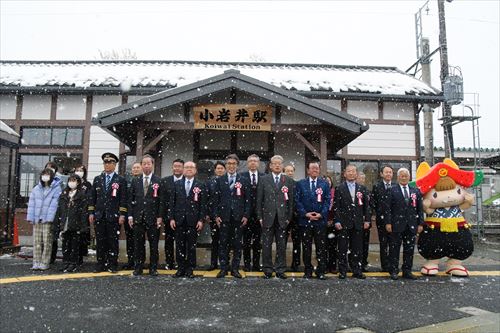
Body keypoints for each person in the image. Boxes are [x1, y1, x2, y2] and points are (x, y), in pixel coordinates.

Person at [256, 155, 295, 279]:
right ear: (271, 166)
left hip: (282, 218)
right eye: (275, 163)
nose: (277, 165)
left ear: (282, 166)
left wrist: (289, 217)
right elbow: (259, 200)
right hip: (267, 217)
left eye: (279, 163)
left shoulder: (287, 180)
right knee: (266, 244)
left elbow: (291, 202)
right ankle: (267, 269)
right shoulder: (263, 179)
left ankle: (280, 269)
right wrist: (260, 217)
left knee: (281, 245)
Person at [88, 152, 128, 273]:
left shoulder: (120, 180)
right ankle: (100, 264)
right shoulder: (97, 179)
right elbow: (92, 197)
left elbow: (123, 198)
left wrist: (122, 214)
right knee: (100, 241)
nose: (107, 165)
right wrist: (91, 212)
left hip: (114, 216)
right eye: (105, 162)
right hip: (100, 215)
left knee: (112, 241)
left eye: (110, 163)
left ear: (114, 165)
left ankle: (112, 264)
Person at [213, 154, 251, 279]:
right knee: (223, 243)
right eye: (229, 163)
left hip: (238, 218)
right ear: (226, 165)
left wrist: (246, 215)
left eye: (233, 164)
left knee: (237, 244)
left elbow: (248, 200)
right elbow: (215, 200)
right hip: (223, 217)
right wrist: (216, 215)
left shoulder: (244, 180)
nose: (231, 166)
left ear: (237, 165)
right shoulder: (219, 180)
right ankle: (223, 268)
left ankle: (235, 269)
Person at [168, 161, 207, 278]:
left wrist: (201, 220)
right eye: (187, 167)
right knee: (179, 245)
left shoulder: (200, 185)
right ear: (183, 170)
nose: (189, 169)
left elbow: (203, 204)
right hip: (179, 220)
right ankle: (180, 268)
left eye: (191, 167)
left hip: (193, 221)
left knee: (191, 246)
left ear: (195, 170)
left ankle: (190, 269)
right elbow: (172, 203)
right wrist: (171, 218)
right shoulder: (177, 184)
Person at [385, 168, 424, 280]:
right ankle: (394, 271)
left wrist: (420, 223)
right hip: (396, 225)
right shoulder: (391, 190)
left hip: (411, 225)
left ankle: (407, 271)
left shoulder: (415, 191)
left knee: (409, 249)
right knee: (394, 249)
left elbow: (419, 209)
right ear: (398, 177)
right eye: (401, 176)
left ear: (409, 177)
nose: (404, 177)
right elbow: (387, 208)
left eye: (406, 175)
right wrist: (388, 222)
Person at [333, 164, 370, 279]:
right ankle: (343, 271)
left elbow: (367, 207)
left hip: (358, 223)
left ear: (356, 174)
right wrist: (337, 220)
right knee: (343, 248)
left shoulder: (362, 189)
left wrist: (367, 220)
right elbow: (336, 207)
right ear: (345, 174)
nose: (351, 173)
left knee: (357, 249)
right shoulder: (339, 188)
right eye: (349, 171)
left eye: (353, 171)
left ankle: (357, 270)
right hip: (343, 223)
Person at [295, 161, 331, 280]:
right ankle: (308, 270)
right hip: (305, 221)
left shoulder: (324, 184)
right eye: (313, 168)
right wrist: (305, 214)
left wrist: (321, 214)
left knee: (321, 247)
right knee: (306, 247)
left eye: (317, 168)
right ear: (308, 170)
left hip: (320, 222)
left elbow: (327, 201)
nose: (315, 170)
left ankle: (320, 270)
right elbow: (297, 201)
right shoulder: (301, 184)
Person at [128, 155, 162, 276]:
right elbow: (130, 199)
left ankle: (153, 268)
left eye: (149, 163)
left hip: (153, 218)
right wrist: (130, 216)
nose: (146, 165)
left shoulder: (158, 181)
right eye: (144, 163)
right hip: (138, 217)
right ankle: (138, 267)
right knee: (138, 244)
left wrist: (159, 216)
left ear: (152, 165)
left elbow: (161, 201)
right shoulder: (135, 181)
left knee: (153, 245)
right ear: (141, 165)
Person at [26, 168, 62, 271]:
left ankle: (45, 262)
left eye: (47, 174)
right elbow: (31, 204)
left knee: (47, 242)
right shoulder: (36, 188)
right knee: (37, 241)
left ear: (52, 176)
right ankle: (36, 262)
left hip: (47, 220)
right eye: (43, 174)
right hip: (37, 218)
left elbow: (54, 205)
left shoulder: (56, 188)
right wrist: (31, 217)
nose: (45, 176)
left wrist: (49, 218)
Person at [55, 174, 88, 273]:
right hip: (65, 221)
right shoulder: (64, 193)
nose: (71, 182)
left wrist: (83, 226)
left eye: (74, 180)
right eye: (70, 180)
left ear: (78, 182)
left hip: (75, 222)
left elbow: (83, 212)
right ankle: (65, 262)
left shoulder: (81, 194)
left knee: (74, 245)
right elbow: (59, 209)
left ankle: (73, 263)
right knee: (65, 244)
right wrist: (58, 223)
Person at [240, 154, 264, 272]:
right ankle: (247, 264)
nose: (253, 163)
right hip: (245, 215)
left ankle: (256, 264)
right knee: (246, 241)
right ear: (247, 163)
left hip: (259, 215)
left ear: (258, 163)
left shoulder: (264, 177)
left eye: (255, 161)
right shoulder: (241, 177)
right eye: (251, 161)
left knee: (257, 241)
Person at [159, 159, 184, 270]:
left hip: (183, 217)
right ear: (172, 167)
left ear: (183, 168)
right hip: (168, 217)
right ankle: (169, 262)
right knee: (169, 241)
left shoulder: (187, 180)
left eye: (179, 166)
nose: (177, 168)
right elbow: (162, 200)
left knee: (181, 241)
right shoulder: (165, 181)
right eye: (175, 166)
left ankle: (181, 262)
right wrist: (164, 215)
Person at [371, 165, 394, 272]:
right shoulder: (377, 187)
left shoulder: (395, 186)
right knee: (383, 243)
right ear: (381, 174)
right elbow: (373, 202)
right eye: (386, 172)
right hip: (381, 220)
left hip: (395, 220)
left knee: (394, 243)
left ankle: (393, 264)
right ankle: (385, 265)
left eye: (390, 172)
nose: (388, 174)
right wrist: (379, 213)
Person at [206, 161, 225, 270]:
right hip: (213, 215)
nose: (220, 170)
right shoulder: (210, 182)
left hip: (227, 216)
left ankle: (225, 264)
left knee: (226, 241)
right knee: (215, 240)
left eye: (222, 168)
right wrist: (208, 214)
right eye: (218, 168)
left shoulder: (228, 181)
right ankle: (213, 263)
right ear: (215, 170)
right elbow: (207, 199)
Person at [123, 162, 142, 270]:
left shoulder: (143, 181)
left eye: (137, 168)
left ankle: (138, 261)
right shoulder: (127, 181)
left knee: (138, 240)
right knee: (129, 239)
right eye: (134, 168)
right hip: (128, 214)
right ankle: (130, 260)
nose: (135, 169)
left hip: (139, 214)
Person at [45, 161, 65, 265]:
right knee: (43, 238)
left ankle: (51, 258)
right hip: (43, 214)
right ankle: (43, 257)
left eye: (52, 168)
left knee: (53, 237)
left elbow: (61, 199)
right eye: (48, 167)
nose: (50, 169)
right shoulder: (41, 181)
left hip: (55, 214)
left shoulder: (59, 182)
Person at [74, 165, 92, 268]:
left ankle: (80, 258)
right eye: (77, 170)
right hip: (72, 214)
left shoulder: (87, 184)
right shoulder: (71, 182)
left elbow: (89, 198)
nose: (79, 172)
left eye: (81, 170)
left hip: (83, 213)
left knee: (81, 236)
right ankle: (71, 258)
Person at [284, 163, 301, 272]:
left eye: (291, 171)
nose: (290, 173)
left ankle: (295, 264)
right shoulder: (280, 184)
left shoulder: (298, 185)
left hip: (296, 217)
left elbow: (299, 200)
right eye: (287, 171)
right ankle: (281, 263)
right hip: (283, 217)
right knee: (282, 242)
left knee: (296, 241)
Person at [356, 172, 371, 272]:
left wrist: (368, 220)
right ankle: (355, 263)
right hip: (355, 222)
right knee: (355, 244)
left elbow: (369, 207)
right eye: (360, 178)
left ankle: (363, 262)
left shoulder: (366, 191)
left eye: (363, 178)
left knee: (365, 244)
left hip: (365, 222)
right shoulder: (353, 190)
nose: (362, 180)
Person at [324, 175, 338, 274]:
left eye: (329, 180)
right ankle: (324, 266)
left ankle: (332, 266)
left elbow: (338, 207)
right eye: (325, 181)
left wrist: (333, 220)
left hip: (333, 223)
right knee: (323, 247)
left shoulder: (335, 192)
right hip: (322, 223)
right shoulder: (319, 191)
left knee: (333, 246)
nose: (327, 182)